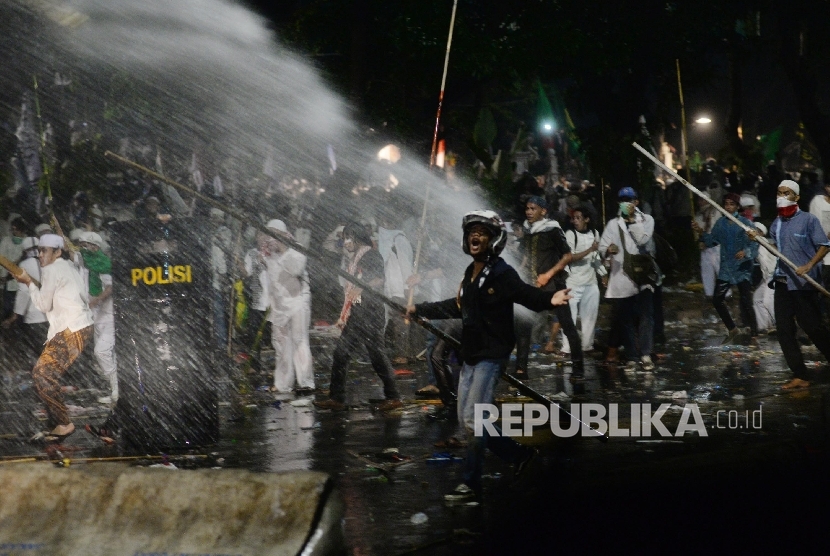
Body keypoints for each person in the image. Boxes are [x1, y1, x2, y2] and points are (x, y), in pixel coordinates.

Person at [406, 210, 571, 504]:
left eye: (482, 232)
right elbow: (458, 307)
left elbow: (525, 294)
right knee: (466, 419)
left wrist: (550, 299)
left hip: (491, 356)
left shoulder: (501, 272)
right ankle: (521, 455)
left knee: (473, 418)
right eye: (472, 231)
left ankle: (471, 483)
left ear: (494, 239)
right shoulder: (471, 274)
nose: (475, 236)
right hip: (471, 355)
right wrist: (421, 310)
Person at [749, 180, 830, 389]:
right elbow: (775, 248)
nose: (781, 196)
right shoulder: (777, 223)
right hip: (783, 281)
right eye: (779, 192)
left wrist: (809, 265)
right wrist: (758, 238)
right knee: (784, 330)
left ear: (796, 197)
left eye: (786, 193)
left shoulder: (808, 220)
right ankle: (800, 375)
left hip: (804, 283)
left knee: (812, 326)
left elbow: (824, 245)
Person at [13, 234, 94, 442]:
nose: (41, 255)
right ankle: (58, 420)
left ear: (57, 252)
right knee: (44, 373)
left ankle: (63, 423)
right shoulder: (67, 266)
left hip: (72, 328)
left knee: (43, 373)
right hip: (78, 327)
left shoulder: (51, 269)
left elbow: (42, 306)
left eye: (45, 251)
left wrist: (28, 282)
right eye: (39, 250)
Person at [314, 222, 402, 412]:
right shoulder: (355, 258)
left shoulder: (371, 254)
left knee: (376, 355)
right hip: (358, 312)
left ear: (358, 238)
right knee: (341, 353)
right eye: (344, 238)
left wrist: (360, 289)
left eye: (348, 238)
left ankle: (393, 396)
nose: (345, 243)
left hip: (370, 313)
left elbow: (379, 278)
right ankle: (336, 398)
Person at [514, 196, 582, 377]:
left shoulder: (552, 229)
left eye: (533, 208)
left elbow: (567, 256)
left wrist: (548, 274)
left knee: (567, 325)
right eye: (527, 208)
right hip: (532, 284)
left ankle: (578, 368)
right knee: (523, 326)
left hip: (554, 285)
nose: (528, 212)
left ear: (543, 211)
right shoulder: (527, 230)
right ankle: (521, 369)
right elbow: (527, 256)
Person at [599, 187, 658, 370]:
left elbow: (642, 240)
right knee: (626, 318)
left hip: (643, 275)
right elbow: (601, 247)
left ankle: (646, 354)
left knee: (646, 316)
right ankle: (632, 355)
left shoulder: (647, 220)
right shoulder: (612, 224)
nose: (626, 203)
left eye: (629, 200)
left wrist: (632, 221)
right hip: (622, 276)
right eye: (622, 200)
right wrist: (608, 250)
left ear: (636, 202)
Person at [693, 193, 758, 345]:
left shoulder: (744, 223)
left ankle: (754, 332)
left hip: (741, 268)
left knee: (746, 300)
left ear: (737, 206)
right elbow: (712, 241)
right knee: (717, 299)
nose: (728, 207)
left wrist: (745, 252)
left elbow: (755, 243)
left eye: (731, 204)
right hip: (727, 267)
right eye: (726, 204)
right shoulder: (721, 223)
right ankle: (732, 328)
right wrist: (700, 232)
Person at [260, 219, 314, 395]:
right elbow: (269, 281)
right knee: (281, 345)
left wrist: (283, 246)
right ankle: (283, 384)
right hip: (279, 306)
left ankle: (306, 383)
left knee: (299, 341)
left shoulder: (296, 248)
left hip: (298, 301)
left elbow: (296, 269)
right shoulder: (267, 254)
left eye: (274, 235)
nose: (271, 239)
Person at [78, 231, 118, 405]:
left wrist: (96, 300)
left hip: (110, 315)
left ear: (95, 246)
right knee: (108, 354)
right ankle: (116, 391)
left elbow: (110, 288)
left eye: (85, 245)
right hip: (97, 316)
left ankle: (118, 388)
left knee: (101, 352)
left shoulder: (103, 263)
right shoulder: (86, 262)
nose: (83, 248)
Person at [561, 205, 602, 355]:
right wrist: (590, 250)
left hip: (591, 282)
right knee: (569, 318)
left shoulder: (595, 233)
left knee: (590, 316)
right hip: (573, 282)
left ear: (587, 219)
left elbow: (596, 257)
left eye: (578, 218)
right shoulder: (570, 234)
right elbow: (570, 257)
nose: (575, 221)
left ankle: (587, 346)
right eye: (573, 218)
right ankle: (567, 348)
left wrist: (603, 274)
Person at [1, 237, 47, 367]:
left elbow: (24, 291)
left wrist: (15, 315)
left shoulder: (24, 266)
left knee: (37, 351)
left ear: (25, 251)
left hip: (35, 316)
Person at [693, 193, 721, 299]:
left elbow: (717, 229)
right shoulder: (699, 215)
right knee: (706, 270)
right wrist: (700, 241)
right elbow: (697, 230)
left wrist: (708, 241)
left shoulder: (716, 212)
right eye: (699, 200)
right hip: (704, 246)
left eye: (702, 200)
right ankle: (709, 293)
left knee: (719, 269)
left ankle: (725, 293)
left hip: (716, 245)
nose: (700, 202)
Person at [751, 223, 776, 333]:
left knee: (767, 301)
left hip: (773, 276)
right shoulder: (755, 245)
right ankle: (763, 326)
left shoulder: (763, 243)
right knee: (757, 298)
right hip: (767, 278)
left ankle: (776, 324)